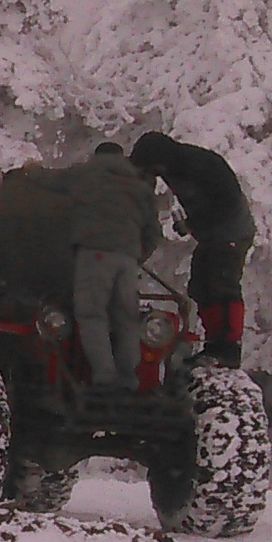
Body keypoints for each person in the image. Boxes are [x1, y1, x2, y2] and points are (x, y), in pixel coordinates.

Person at [130, 131, 256, 368]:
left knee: (221, 284)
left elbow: (226, 205)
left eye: (151, 170)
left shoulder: (203, 165)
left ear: (159, 162)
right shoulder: (172, 167)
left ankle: (228, 348)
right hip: (212, 234)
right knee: (200, 285)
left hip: (233, 231)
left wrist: (193, 224)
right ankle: (214, 343)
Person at [69, 141, 160, 391]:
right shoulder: (138, 186)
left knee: (91, 313)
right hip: (127, 260)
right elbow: (153, 232)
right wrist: (136, 256)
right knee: (127, 317)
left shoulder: (88, 179)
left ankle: (104, 376)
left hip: (95, 255)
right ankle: (129, 377)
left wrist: (31, 172)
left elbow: (58, 193)